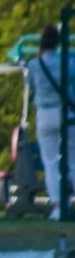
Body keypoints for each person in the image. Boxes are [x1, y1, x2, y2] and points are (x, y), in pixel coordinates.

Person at [27, 23, 75, 220]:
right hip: (67, 113)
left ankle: (57, 206)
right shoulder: (69, 63)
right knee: (73, 162)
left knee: (51, 163)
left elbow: (31, 85)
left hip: (45, 115)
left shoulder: (34, 65)